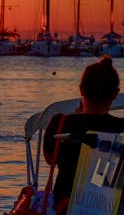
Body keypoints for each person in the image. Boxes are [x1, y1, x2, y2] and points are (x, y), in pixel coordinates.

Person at [43, 55, 124, 214]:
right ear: (115, 94)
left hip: (66, 208)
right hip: (113, 208)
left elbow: (50, 159)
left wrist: (77, 119)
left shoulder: (60, 124)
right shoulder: (122, 128)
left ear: (81, 90)